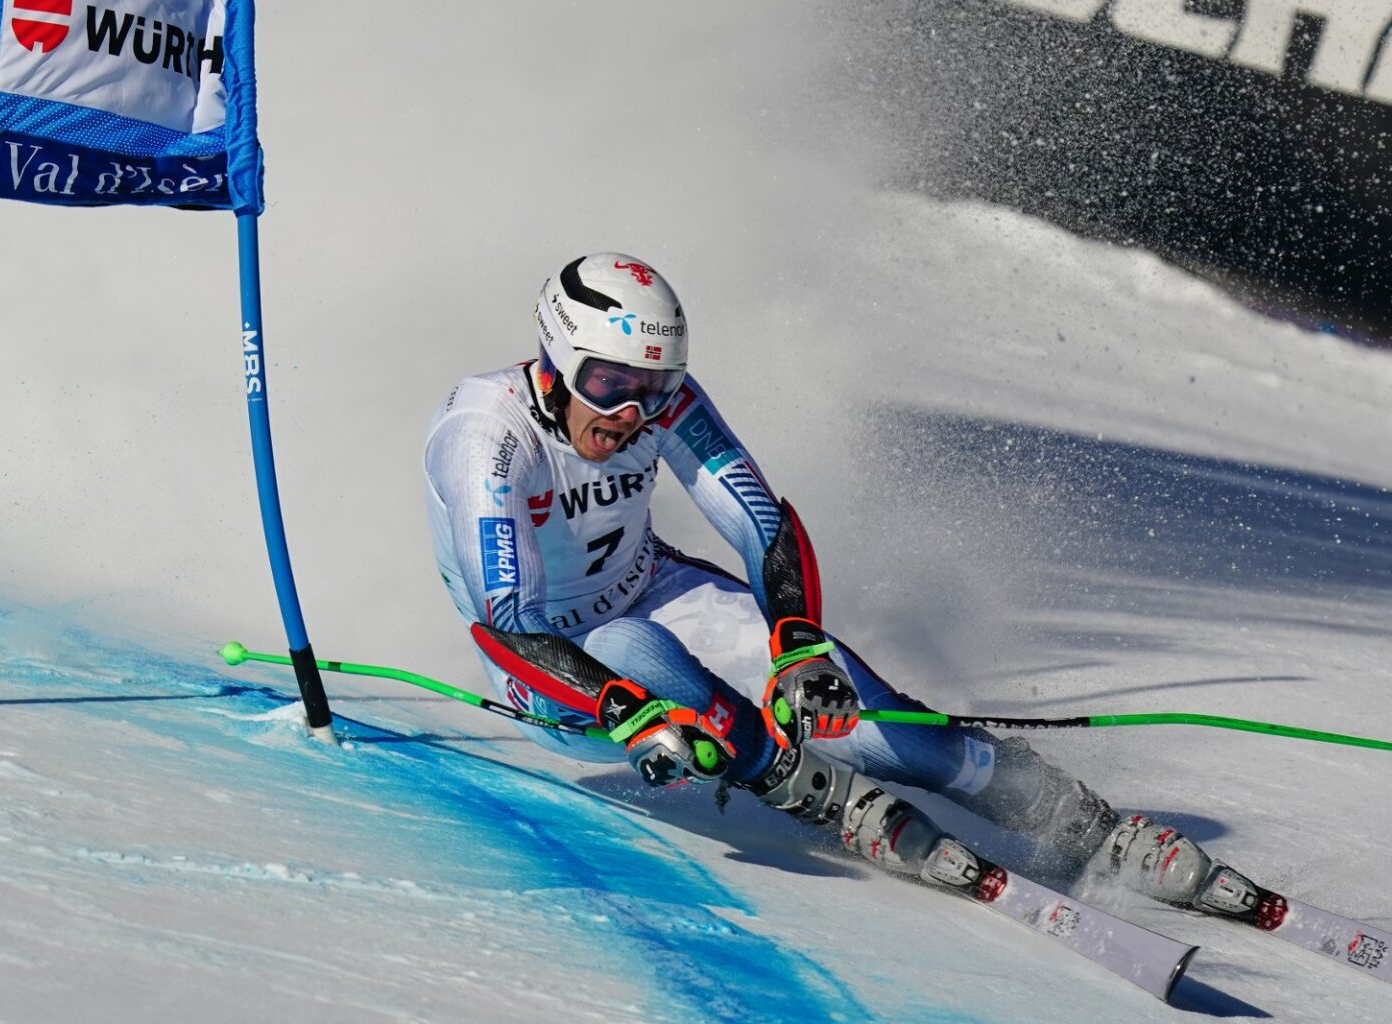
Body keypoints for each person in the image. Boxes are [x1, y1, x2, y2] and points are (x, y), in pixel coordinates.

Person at [422, 252, 1261, 914]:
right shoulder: (486, 437)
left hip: (652, 587)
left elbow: (763, 524)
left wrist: (796, 644)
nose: (631, 414)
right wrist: (622, 709)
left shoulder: (655, 402)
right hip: (550, 673)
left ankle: (1073, 818)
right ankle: (784, 776)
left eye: (653, 390)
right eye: (608, 385)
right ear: (558, 357)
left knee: (880, 729)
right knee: (631, 649)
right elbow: (506, 626)